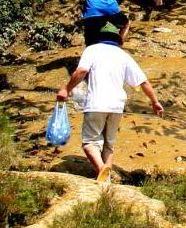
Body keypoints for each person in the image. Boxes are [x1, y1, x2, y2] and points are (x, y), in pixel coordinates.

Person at [55, 18, 163, 182]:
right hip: (117, 105)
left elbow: (82, 71)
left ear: (100, 37)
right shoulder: (123, 55)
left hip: (97, 103)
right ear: (117, 39)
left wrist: (66, 89)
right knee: (109, 145)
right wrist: (155, 102)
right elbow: (143, 81)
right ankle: (108, 181)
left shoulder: (92, 50)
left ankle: (101, 169)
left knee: (90, 143)